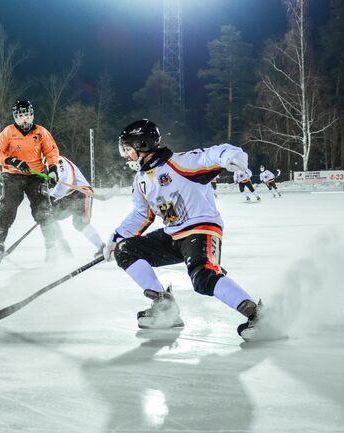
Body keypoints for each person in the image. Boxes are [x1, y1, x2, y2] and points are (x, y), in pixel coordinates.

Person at [103, 119, 270, 341]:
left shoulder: (180, 163)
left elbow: (213, 154)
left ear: (142, 145)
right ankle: (164, 306)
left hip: (201, 229)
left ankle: (260, 317)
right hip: (173, 234)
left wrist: (231, 156)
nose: (125, 155)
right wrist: (116, 238)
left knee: (203, 277)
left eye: (127, 149)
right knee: (126, 250)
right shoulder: (141, 180)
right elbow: (141, 215)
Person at [0, 100, 61, 265]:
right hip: (12, 177)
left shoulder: (41, 132)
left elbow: (52, 151)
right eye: (21, 116)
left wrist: (52, 169)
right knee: (7, 210)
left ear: (32, 115)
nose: (24, 119)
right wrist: (11, 161)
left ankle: (51, 248)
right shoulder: (8, 132)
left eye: (27, 115)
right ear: (16, 117)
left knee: (43, 212)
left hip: (35, 177)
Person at [50, 155, 104, 255]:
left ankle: (102, 247)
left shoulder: (58, 159)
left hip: (80, 191)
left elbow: (67, 178)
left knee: (80, 222)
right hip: (65, 195)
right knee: (49, 217)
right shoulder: (42, 163)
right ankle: (63, 246)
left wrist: (53, 196)